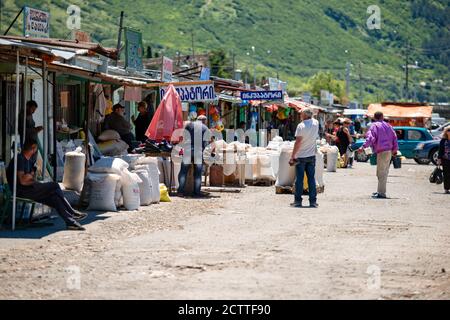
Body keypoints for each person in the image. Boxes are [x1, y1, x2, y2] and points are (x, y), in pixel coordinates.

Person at [6, 140, 87, 231]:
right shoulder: (20, 159)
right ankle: (72, 212)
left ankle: (71, 222)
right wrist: (30, 178)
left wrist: (30, 177)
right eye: (36, 149)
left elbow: (31, 177)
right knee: (55, 185)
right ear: (33, 148)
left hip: (30, 189)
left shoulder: (29, 161)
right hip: (22, 191)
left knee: (55, 198)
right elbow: (23, 181)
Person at [358, 112, 398, 199]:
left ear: (374, 117)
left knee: (382, 172)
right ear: (382, 117)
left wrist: (363, 147)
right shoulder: (389, 126)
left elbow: (371, 138)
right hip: (389, 151)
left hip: (382, 151)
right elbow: (395, 137)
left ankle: (381, 193)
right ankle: (380, 191)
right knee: (382, 172)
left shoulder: (374, 126)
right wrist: (395, 150)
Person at [289, 108, 319, 208]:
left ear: (306, 115)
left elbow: (298, 142)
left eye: (301, 114)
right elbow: (313, 117)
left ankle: (298, 201)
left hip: (301, 156)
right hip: (311, 156)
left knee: (299, 180)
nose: (300, 116)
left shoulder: (301, 126)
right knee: (311, 179)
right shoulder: (316, 123)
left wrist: (292, 156)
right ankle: (313, 202)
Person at [178, 115, 209, 198]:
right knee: (198, 173)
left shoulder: (189, 125)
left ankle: (180, 191)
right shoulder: (205, 128)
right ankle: (196, 192)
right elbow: (206, 144)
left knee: (183, 172)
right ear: (204, 121)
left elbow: (183, 138)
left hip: (188, 150)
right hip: (199, 151)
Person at [437, 127, 450, 194]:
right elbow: (440, 150)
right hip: (445, 159)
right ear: (446, 132)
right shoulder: (443, 140)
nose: (449, 132)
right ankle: (446, 188)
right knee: (446, 174)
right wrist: (439, 159)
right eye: (448, 130)